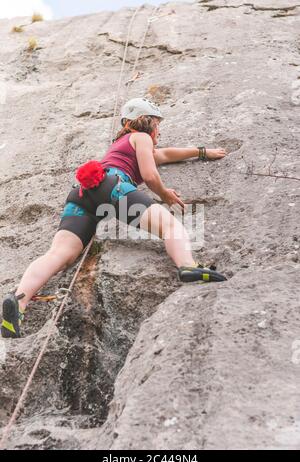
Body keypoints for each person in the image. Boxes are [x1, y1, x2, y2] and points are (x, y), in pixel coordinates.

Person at [1, 98, 228, 339]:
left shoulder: (122, 145)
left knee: (59, 254)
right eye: (158, 125)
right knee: (170, 225)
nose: (159, 131)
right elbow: (150, 174)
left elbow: (166, 154)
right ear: (147, 121)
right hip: (114, 187)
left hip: (81, 195)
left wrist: (202, 152)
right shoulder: (141, 137)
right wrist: (165, 194)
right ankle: (188, 265)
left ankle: (19, 302)